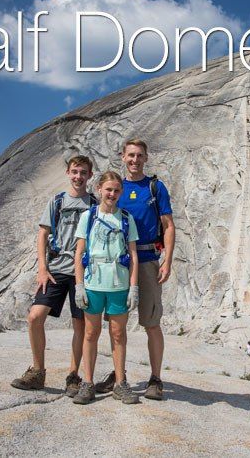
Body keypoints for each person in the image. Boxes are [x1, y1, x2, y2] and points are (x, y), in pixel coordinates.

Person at [95, 139, 175, 401]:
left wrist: (168, 260)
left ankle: (155, 378)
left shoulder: (155, 187)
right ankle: (119, 376)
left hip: (148, 258)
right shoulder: (117, 187)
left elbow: (169, 224)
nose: (135, 160)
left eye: (139, 155)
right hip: (120, 262)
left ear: (146, 158)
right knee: (117, 324)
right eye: (131, 155)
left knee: (151, 322)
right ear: (123, 156)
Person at [11, 155, 94, 396]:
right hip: (56, 268)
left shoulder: (94, 205)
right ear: (68, 173)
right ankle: (37, 371)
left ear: (90, 175)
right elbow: (42, 234)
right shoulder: (56, 202)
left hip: (84, 273)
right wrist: (42, 268)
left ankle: (73, 375)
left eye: (83, 172)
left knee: (80, 324)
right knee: (35, 316)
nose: (78, 176)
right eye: (75, 171)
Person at [72, 171, 141, 405]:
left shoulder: (126, 218)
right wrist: (79, 284)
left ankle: (120, 383)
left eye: (116, 190)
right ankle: (88, 383)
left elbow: (133, 254)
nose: (112, 194)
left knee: (118, 333)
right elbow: (79, 252)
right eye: (108, 189)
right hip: (93, 282)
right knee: (91, 333)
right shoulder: (88, 216)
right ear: (99, 189)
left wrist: (133, 287)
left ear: (121, 192)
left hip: (118, 282)